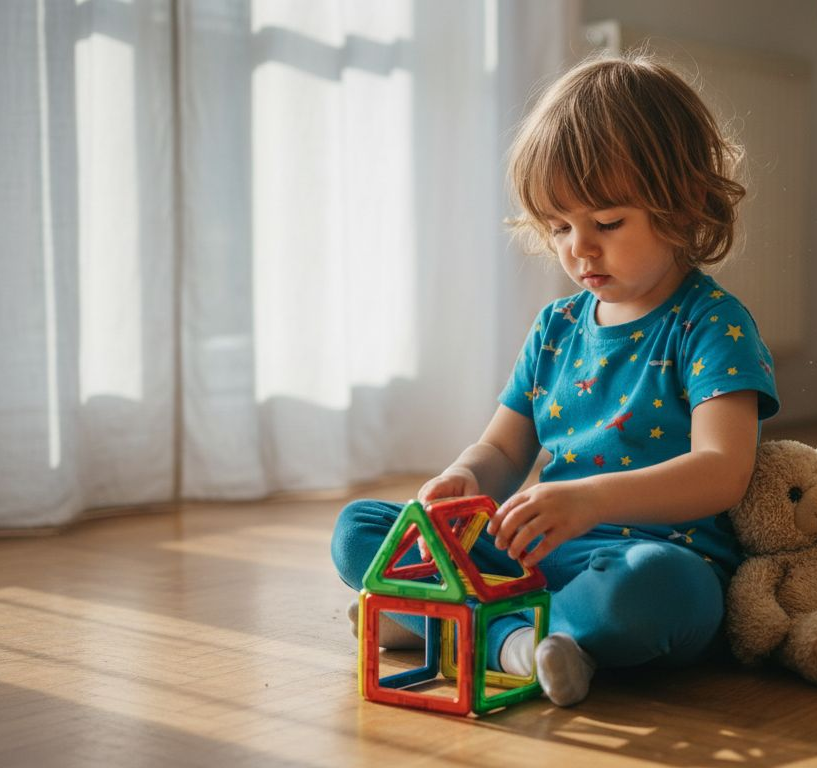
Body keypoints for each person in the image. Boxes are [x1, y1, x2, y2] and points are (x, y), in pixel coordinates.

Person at [331, 50, 780, 707]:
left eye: (606, 223)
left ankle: (456, 626)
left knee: (662, 593)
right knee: (361, 528)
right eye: (559, 225)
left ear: (684, 205)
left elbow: (723, 468)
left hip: (645, 561)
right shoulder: (556, 326)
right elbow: (505, 449)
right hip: (534, 553)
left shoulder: (711, 323)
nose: (578, 248)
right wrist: (464, 479)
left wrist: (592, 502)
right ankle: (524, 638)